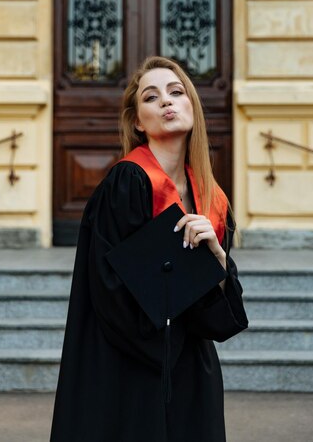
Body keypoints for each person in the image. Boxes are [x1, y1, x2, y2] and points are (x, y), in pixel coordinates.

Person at [50, 56, 248, 442]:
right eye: (151, 97)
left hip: (191, 374)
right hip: (131, 372)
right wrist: (166, 349)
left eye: (176, 92)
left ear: (192, 103)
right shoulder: (129, 182)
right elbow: (110, 290)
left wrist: (219, 262)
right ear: (139, 121)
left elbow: (220, 322)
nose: (166, 102)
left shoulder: (213, 200)